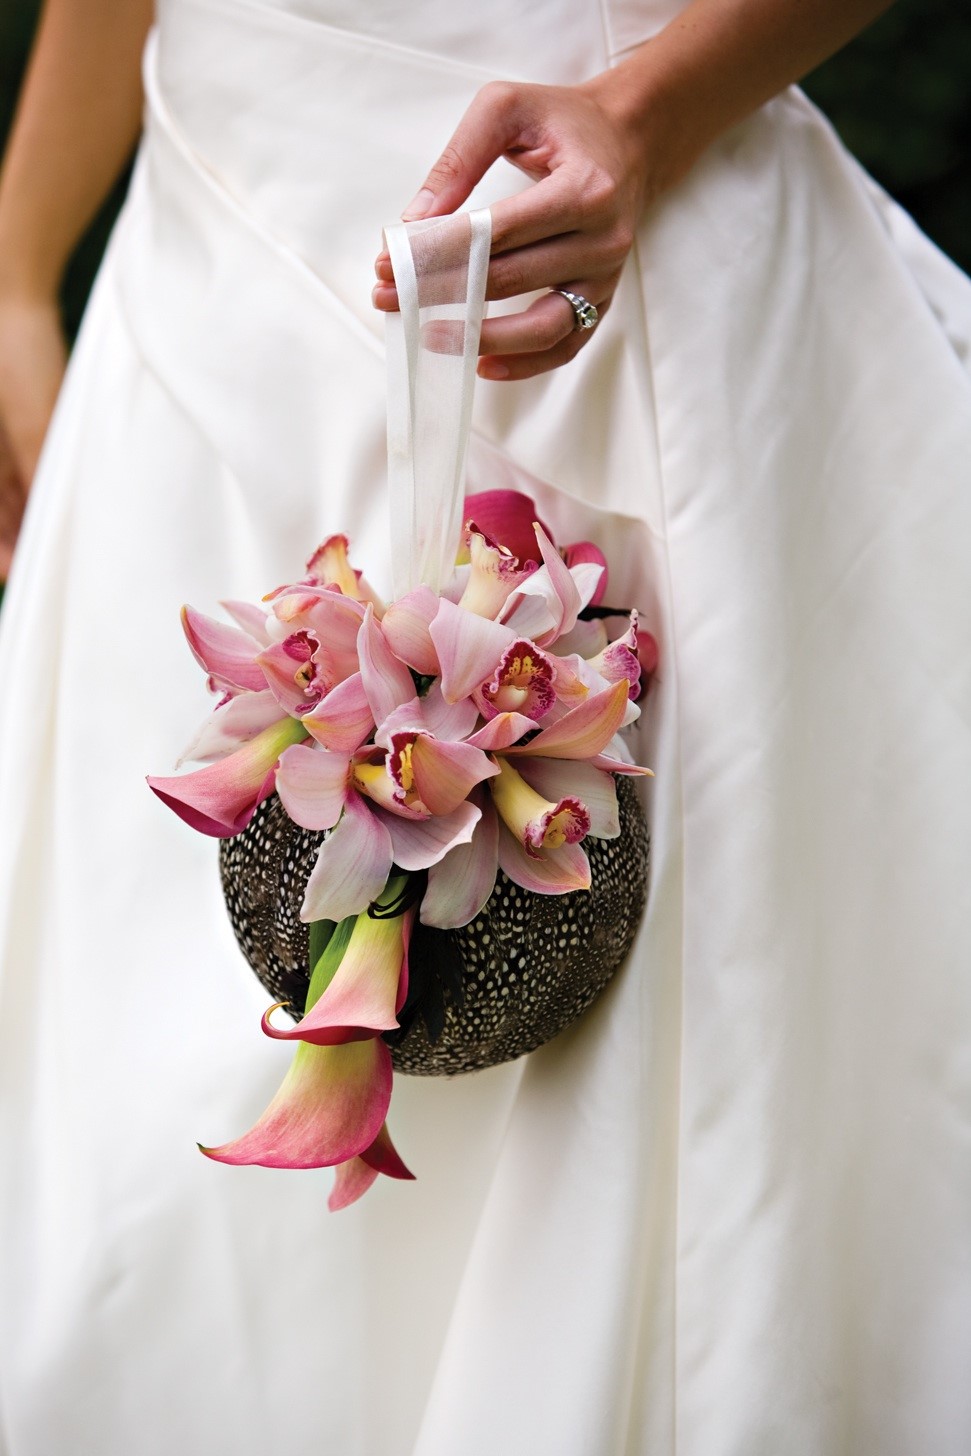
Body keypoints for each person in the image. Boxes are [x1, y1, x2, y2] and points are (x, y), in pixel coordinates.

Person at [1, 1, 970, 1452]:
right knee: (129, 1180)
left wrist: (652, 108)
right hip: (208, 274)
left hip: (593, 240)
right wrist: (18, 252)